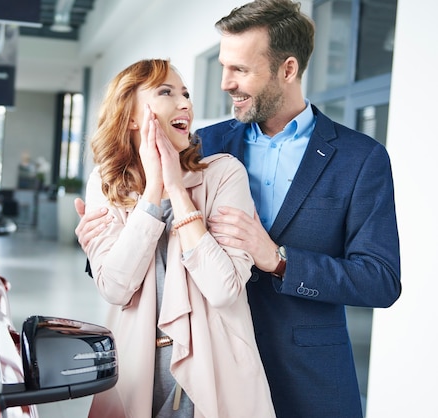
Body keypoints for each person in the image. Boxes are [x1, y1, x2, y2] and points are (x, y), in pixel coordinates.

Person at [75, 1, 402, 417]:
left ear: (287, 70)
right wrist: (95, 242)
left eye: (240, 70)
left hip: (306, 375)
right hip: (203, 367)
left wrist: (280, 261)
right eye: (224, 66)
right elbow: (146, 245)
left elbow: (381, 279)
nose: (225, 83)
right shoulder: (201, 146)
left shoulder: (360, 158)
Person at [81, 58, 275, 418]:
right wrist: (153, 191)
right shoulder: (106, 184)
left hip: (217, 375)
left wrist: (176, 187)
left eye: (185, 93)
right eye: (166, 92)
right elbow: (115, 288)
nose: (185, 102)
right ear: (132, 116)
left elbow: (223, 289)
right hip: (134, 376)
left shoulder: (223, 175)